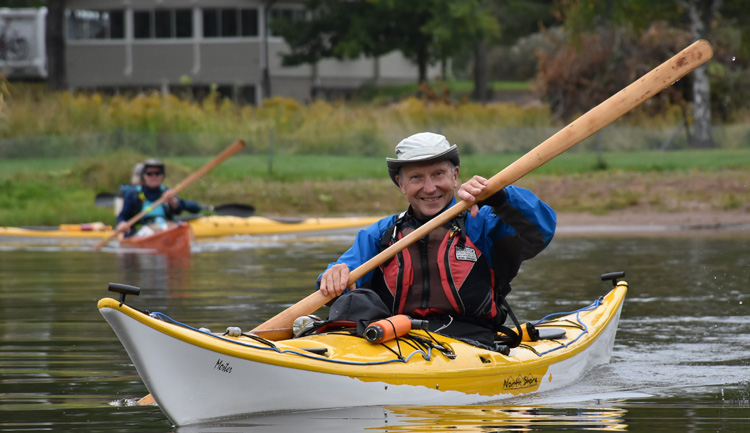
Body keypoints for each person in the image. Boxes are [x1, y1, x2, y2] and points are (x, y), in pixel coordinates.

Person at [316, 132, 556, 348]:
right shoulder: (382, 234)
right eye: (416, 178)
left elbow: (541, 230)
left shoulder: (483, 222)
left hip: (472, 342)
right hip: (395, 340)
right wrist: (333, 275)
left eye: (438, 174)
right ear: (401, 184)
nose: (429, 188)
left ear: (455, 176)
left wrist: (500, 196)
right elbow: (337, 278)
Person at [115, 158, 205, 237]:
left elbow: (179, 209)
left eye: (158, 173)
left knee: (180, 226)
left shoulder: (167, 192)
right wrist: (122, 223)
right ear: (143, 176)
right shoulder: (137, 194)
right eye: (149, 173)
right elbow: (123, 216)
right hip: (143, 228)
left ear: (162, 175)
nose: (154, 176)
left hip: (167, 226)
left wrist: (172, 202)